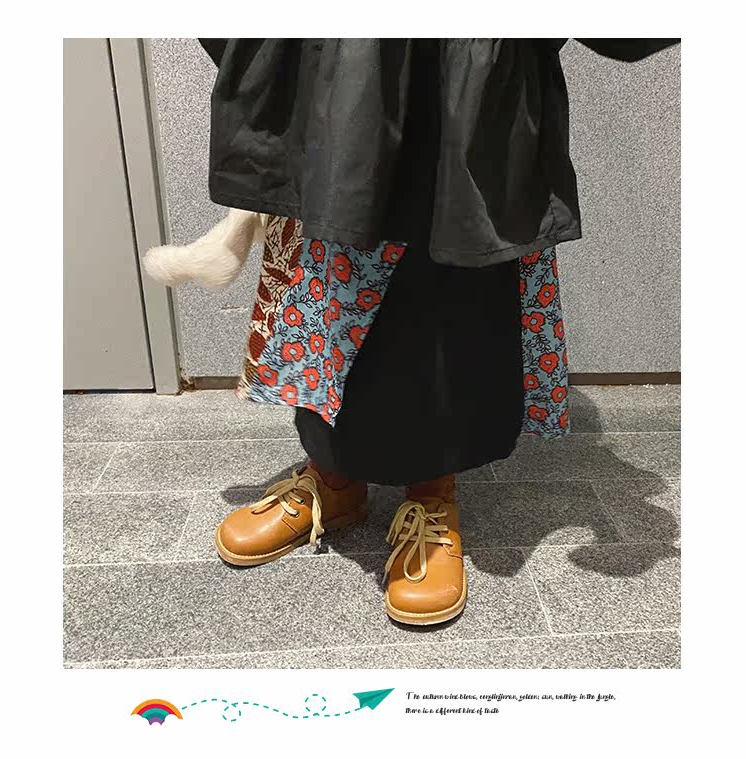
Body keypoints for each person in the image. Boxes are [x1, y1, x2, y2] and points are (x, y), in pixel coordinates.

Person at [147, 38, 678, 625]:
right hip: (340, 73)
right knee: (330, 286)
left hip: (466, 79)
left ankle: (432, 494)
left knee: (446, 283)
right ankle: (334, 479)